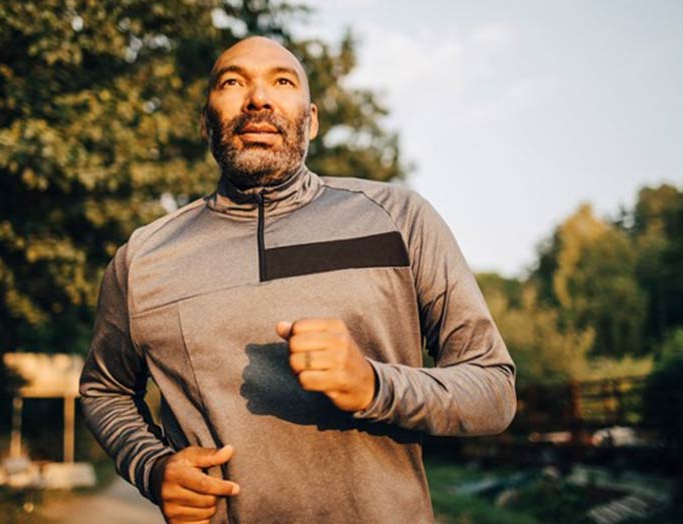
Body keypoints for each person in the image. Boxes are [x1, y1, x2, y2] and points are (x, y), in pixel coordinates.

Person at [80, 36, 517, 524]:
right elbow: (105, 390)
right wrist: (152, 466)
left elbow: (493, 391)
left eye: (281, 81)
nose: (259, 98)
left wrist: (375, 386)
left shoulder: (399, 218)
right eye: (233, 82)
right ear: (206, 123)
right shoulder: (143, 258)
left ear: (310, 120)